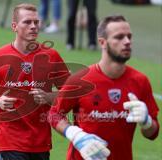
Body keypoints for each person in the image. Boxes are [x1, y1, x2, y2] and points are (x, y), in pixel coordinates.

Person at [49, 15, 160, 160]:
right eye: (119, 37)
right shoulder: (80, 80)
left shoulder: (140, 81)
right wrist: (75, 135)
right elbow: (54, 114)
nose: (127, 42)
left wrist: (147, 122)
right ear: (103, 42)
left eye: (129, 36)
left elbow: (152, 134)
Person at [0, 3, 69, 160]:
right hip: (9, 140)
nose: (33, 26)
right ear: (14, 26)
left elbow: (69, 94)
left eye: (36, 22)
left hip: (40, 141)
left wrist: (48, 97)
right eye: (27, 22)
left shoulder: (51, 56)